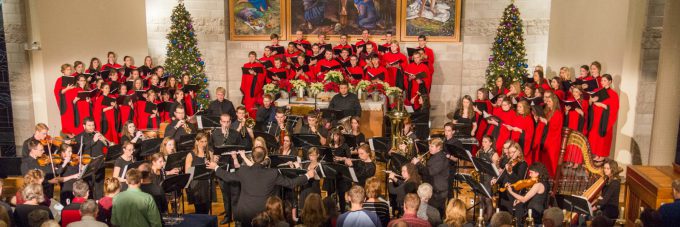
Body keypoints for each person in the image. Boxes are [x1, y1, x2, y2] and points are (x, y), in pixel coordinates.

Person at [206, 146, 316, 226]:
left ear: (252, 158)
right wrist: (307, 175)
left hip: (244, 212)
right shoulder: (272, 173)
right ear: (264, 159)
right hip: (263, 214)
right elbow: (291, 183)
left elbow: (227, 176)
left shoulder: (243, 170)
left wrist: (216, 167)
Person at [587, 74, 619, 162]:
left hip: (605, 120)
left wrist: (602, 105)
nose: (602, 82)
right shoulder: (597, 91)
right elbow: (590, 105)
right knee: (595, 136)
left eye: (605, 80)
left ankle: (602, 155)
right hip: (596, 119)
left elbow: (614, 109)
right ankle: (596, 154)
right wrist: (591, 101)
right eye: (602, 81)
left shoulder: (614, 94)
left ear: (610, 81)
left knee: (603, 138)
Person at [412, 138, 449, 214]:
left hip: (438, 193)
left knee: (436, 214)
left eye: (432, 146)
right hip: (434, 190)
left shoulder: (440, 158)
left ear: (438, 147)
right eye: (429, 146)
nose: (429, 148)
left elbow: (429, 172)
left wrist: (418, 164)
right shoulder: (435, 156)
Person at [184, 133, 215, 214]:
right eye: (202, 142)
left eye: (205, 141)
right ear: (197, 142)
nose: (204, 144)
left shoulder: (209, 153)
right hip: (196, 185)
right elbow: (187, 172)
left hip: (207, 184)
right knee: (199, 211)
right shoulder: (191, 155)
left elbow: (213, 168)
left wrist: (211, 164)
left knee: (207, 210)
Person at [492, 141, 527, 212]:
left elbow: (519, 180)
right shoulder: (509, 162)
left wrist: (510, 172)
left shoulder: (522, 164)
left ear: (519, 151)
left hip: (513, 194)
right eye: (510, 152)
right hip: (504, 193)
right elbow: (503, 176)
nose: (511, 154)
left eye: (513, 152)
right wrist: (496, 179)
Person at [538, 91, 563, 177]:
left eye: (549, 101)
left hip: (553, 141)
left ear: (554, 102)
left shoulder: (557, 113)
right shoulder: (548, 112)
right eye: (547, 101)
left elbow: (555, 128)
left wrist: (546, 122)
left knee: (551, 161)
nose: (547, 103)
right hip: (546, 139)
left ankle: (552, 178)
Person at [241, 52, 266, 117]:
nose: (251, 58)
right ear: (248, 57)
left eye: (253, 56)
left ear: (255, 58)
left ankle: (255, 121)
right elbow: (243, 77)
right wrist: (243, 87)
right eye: (250, 56)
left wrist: (255, 74)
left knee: (254, 107)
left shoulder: (259, 65)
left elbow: (263, 77)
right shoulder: (245, 65)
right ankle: (248, 121)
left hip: (255, 90)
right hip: (247, 89)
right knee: (248, 106)